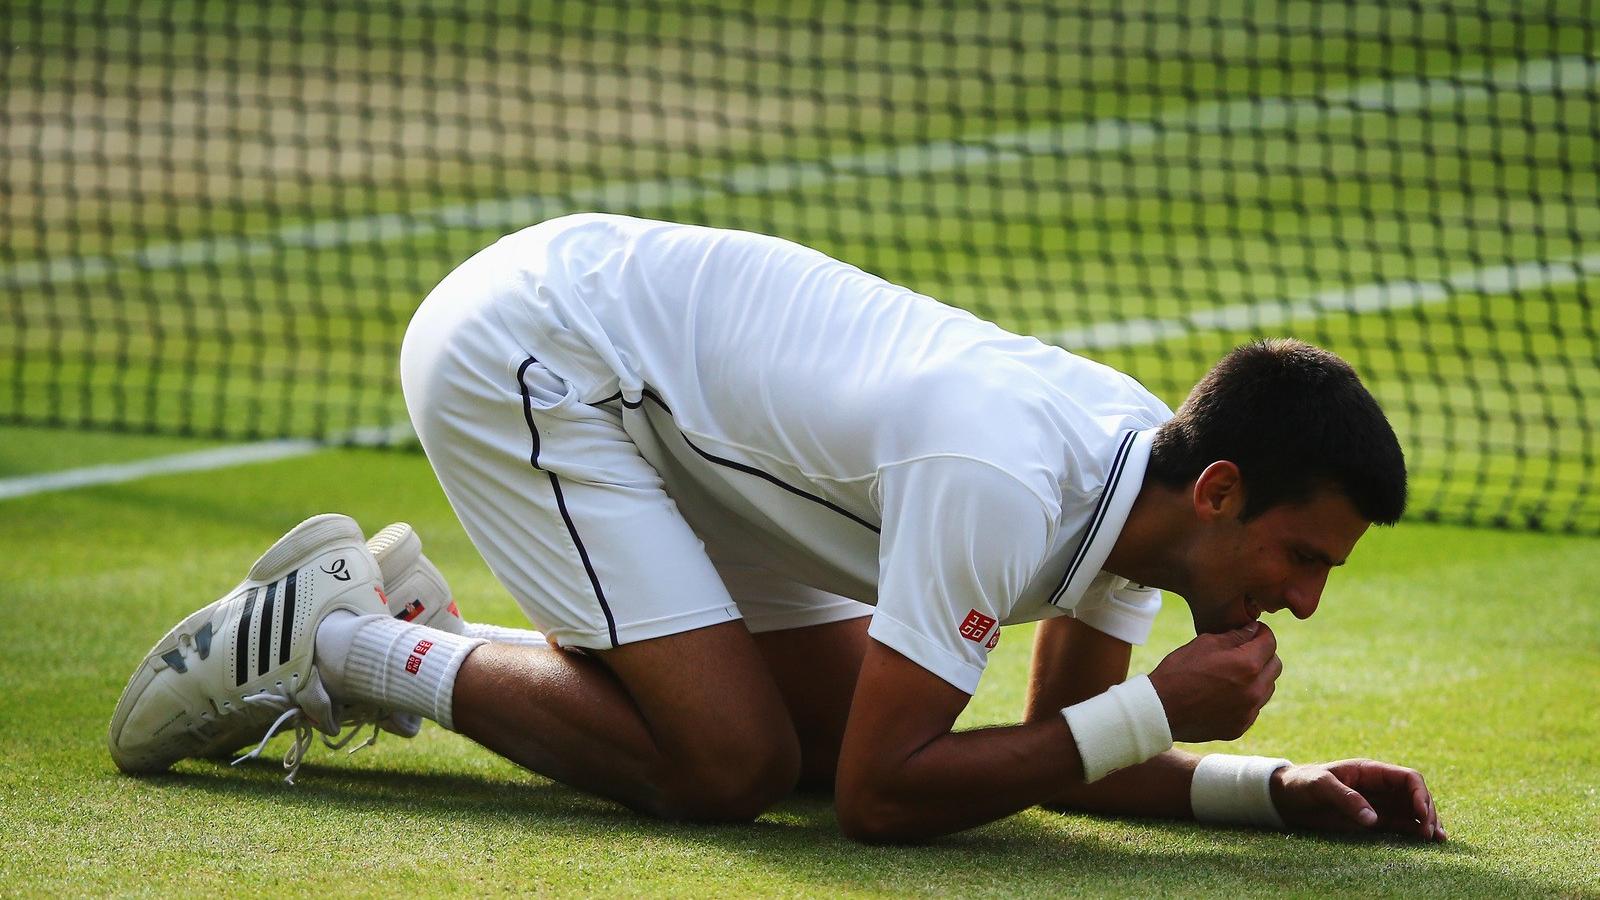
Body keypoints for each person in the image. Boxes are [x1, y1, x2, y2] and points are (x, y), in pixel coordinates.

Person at [109, 214, 1444, 843]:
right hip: (538, 356)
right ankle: (349, 639)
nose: (1307, 599)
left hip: (680, 421)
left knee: (806, 744)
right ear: (1220, 497)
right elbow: (887, 800)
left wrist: (1269, 791)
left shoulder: (1142, 492)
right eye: (1304, 556)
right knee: (732, 768)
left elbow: (1059, 755)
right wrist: (1157, 713)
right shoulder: (1006, 481)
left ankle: (410, 631)